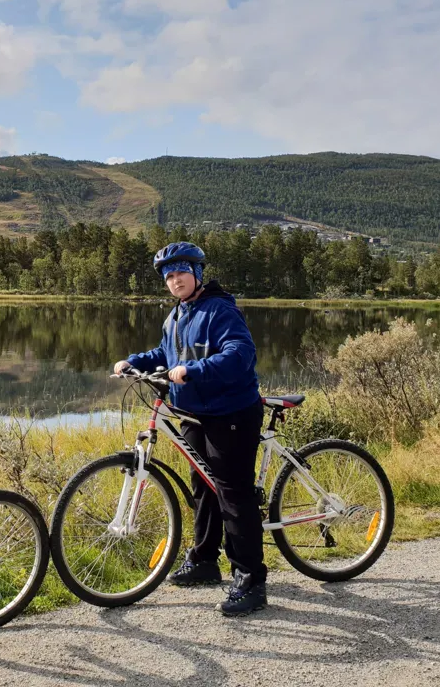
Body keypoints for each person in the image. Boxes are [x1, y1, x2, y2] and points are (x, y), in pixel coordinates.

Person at [113, 242, 268, 616]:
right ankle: (204, 561)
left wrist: (194, 371)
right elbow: (167, 354)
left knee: (233, 492)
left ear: (197, 274)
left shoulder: (220, 309)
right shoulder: (177, 315)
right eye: (168, 275)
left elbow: (239, 353)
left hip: (230, 411)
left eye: (181, 271)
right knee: (203, 486)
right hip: (194, 413)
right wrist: (133, 361)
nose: (174, 279)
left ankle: (251, 580)